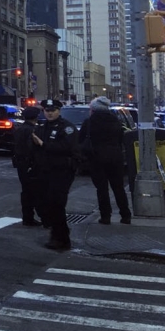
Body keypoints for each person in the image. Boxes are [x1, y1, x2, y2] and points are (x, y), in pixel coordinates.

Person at [32, 99, 82, 251]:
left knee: (57, 203)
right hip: (45, 169)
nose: (50, 113)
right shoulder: (41, 126)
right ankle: (56, 232)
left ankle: (61, 238)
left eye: (53, 110)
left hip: (62, 170)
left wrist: (43, 144)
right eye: (47, 110)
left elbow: (66, 147)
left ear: (59, 111)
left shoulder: (67, 127)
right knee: (44, 203)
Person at [79, 96, 132, 225]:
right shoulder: (116, 120)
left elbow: (81, 140)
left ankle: (105, 216)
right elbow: (121, 139)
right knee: (118, 187)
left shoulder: (89, 122)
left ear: (93, 109)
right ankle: (125, 215)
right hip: (115, 157)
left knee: (102, 189)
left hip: (96, 158)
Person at [12, 106, 44, 226]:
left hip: (21, 163)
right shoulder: (33, 130)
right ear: (36, 117)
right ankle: (42, 217)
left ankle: (27, 217)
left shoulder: (19, 129)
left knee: (26, 191)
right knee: (36, 191)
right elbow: (33, 148)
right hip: (31, 164)